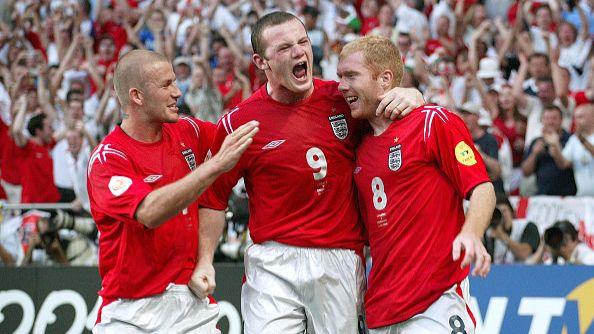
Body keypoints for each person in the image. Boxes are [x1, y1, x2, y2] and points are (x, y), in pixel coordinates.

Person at [194, 12, 424, 334]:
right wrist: (205, 259)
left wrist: (414, 96)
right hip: (272, 262)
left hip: (339, 258)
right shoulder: (240, 122)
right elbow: (214, 198)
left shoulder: (344, 99)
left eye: (303, 42)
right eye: (285, 47)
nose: (299, 52)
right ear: (262, 62)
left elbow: (395, 112)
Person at [87, 50, 259, 333]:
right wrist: (214, 165)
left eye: (176, 82)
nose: (178, 92)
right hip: (131, 311)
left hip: (191, 301)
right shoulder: (108, 158)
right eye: (166, 85)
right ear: (137, 96)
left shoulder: (186, 130)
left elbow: (239, 137)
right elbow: (149, 212)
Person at [337, 35, 494, 333]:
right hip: (381, 308)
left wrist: (472, 233)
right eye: (339, 76)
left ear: (385, 79)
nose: (341, 85)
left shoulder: (432, 123)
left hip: (436, 300)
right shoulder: (357, 145)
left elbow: (482, 188)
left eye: (351, 76)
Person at [486, 194, 540, 264]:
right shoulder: (490, 233)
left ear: (512, 212)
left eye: (504, 211)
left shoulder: (526, 226)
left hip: (526, 272)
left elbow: (524, 254)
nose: (502, 216)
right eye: (498, 213)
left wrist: (502, 237)